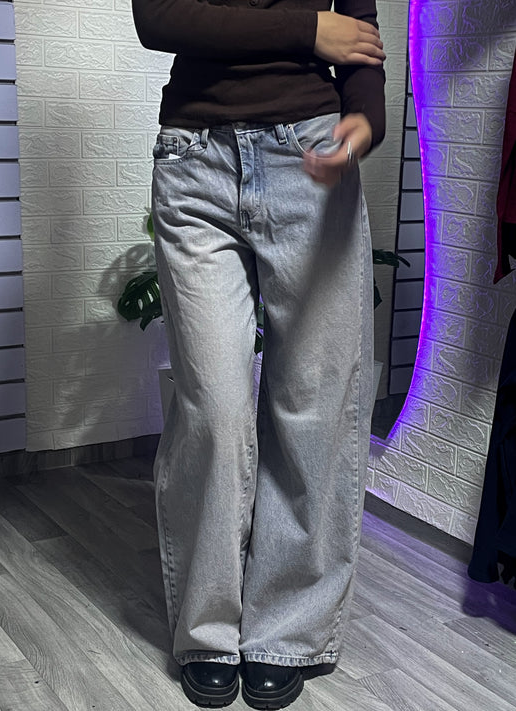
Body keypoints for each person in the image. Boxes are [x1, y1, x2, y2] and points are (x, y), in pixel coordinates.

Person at [132, 1, 385, 708]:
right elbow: (156, 16)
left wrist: (365, 122)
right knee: (213, 410)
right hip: (195, 161)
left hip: (310, 155)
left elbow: (361, 35)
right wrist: (308, 29)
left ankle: (286, 630)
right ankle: (208, 628)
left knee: (313, 404)